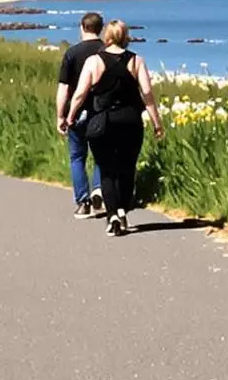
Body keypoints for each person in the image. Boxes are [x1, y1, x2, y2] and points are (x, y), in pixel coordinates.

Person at [65, 18, 165, 235]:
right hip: (130, 120)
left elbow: (80, 93)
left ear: (107, 36)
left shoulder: (94, 61)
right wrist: (157, 123)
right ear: (126, 36)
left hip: (102, 121)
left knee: (107, 169)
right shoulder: (136, 61)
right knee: (127, 167)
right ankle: (122, 210)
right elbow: (147, 94)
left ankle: (112, 217)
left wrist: (70, 115)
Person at [55, 12, 109, 218]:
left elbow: (63, 88)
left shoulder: (72, 53)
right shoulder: (107, 51)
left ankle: (83, 201)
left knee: (77, 157)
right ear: (101, 29)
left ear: (82, 27)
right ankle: (98, 189)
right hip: (101, 111)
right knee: (101, 155)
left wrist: (61, 115)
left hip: (77, 112)